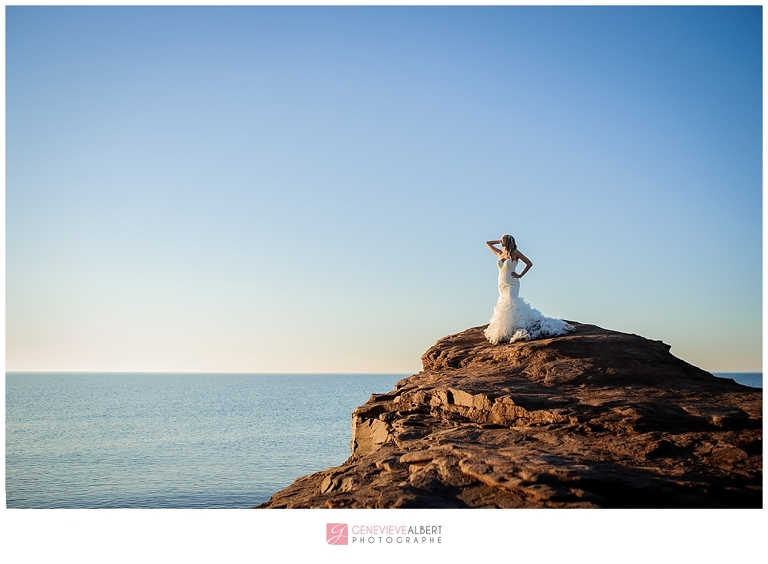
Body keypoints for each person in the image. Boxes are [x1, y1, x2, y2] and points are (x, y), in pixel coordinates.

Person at [484, 234, 574, 344]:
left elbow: (529, 263)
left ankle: (519, 328)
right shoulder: (499, 253)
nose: (500, 241)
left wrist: (520, 275)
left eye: (502, 239)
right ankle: (508, 329)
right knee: (504, 304)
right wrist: (499, 241)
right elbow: (487, 243)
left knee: (511, 303)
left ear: (507, 241)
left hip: (512, 283)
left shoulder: (515, 253)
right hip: (502, 284)